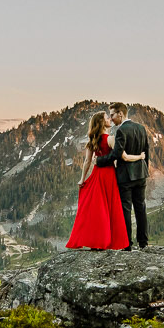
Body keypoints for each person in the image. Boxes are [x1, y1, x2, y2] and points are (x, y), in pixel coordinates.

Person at [64, 109, 129, 250]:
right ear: (102, 123)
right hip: (110, 175)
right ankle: (107, 241)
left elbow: (87, 161)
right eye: (107, 118)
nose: (110, 119)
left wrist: (82, 179)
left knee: (98, 209)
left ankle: (97, 241)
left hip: (97, 174)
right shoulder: (110, 139)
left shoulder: (92, 141)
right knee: (109, 208)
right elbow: (119, 156)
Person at [109, 102, 149, 250]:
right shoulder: (141, 128)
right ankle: (143, 242)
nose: (111, 118)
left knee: (126, 209)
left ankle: (127, 245)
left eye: (112, 115)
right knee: (141, 208)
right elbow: (146, 152)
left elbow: (116, 155)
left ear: (120, 114)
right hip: (141, 174)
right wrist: (145, 169)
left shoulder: (121, 131)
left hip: (125, 177)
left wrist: (99, 160)